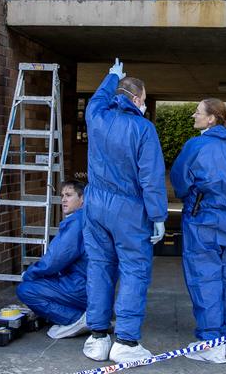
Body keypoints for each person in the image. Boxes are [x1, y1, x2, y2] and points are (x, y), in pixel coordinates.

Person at [82, 59, 168, 365]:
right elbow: (151, 177)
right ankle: (127, 342)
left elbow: (97, 99)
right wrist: (158, 216)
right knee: (134, 270)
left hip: (95, 205)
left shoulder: (96, 116)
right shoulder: (143, 128)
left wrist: (110, 77)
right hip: (129, 209)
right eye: (143, 99)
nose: (145, 104)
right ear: (135, 99)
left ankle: (97, 338)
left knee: (99, 267)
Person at [170, 98, 226, 364]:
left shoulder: (196, 145)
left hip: (205, 220)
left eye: (198, 112)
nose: (194, 115)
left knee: (205, 278)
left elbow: (180, 179)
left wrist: (191, 199)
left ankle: (210, 342)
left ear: (211, 119)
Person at [17, 179, 89, 339]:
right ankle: (94, 315)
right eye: (62, 195)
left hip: (80, 287)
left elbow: (54, 261)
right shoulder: (88, 218)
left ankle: (76, 318)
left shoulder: (76, 222)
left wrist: (29, 275)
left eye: (69, 195)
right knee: (49, 278)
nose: (63, 199)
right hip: (95, 288)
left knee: (26, 290)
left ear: (82, 198)